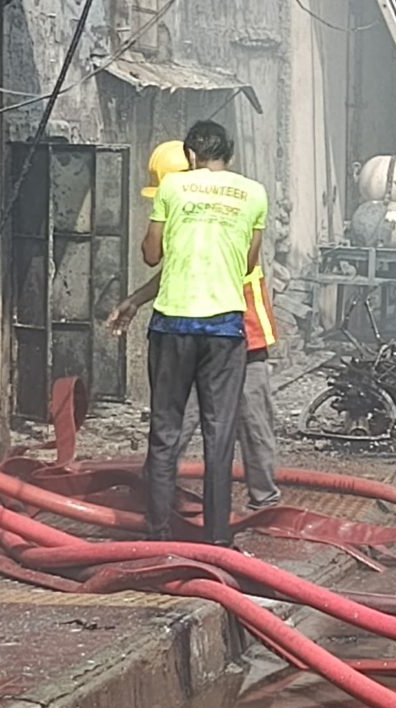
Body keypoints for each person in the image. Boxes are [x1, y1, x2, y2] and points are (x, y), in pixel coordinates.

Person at [109, 141, 284, 515]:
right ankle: (160, 499)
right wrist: (136, 300)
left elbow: (172, 261)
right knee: (183, 424)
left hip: (240, 333)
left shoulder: (222, 211)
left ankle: (264, 504)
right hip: (211, 335)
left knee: (248, 424)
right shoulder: (210, 207)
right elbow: (174, 269)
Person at [139, 120, 267, 546]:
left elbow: (151, 254)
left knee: (165, 432)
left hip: (171, 324)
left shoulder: (174, 189)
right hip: (225, 328)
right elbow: (249, 264)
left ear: (191, 156)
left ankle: (157, 535)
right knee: (220, 435)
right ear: (228, 153)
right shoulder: (254, 193)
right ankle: (218, 540)